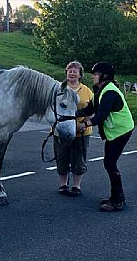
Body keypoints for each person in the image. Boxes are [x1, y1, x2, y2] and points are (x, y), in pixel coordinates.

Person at [77, 62, 134, 211]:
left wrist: (86, 123)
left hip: (121, 130)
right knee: (109, 162)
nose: (93, 76)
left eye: (95, 74)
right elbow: (91, 108)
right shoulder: (99, 90)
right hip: (114, 131)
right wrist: (74, 114)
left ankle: (118, 200)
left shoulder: (110, 92)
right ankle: (115, 196)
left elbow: (101, 115)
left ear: (104, 76)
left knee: (110, 163)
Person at [55, 61, 93, 197]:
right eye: (69, 70)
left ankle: (76, 186)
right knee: (61, 157)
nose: (71, 73)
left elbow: (92, 109)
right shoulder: (58, 88)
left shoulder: (87, 91)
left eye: (75, 71)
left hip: (81, 131)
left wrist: (85, 123)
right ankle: (63, 184)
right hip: (61, 130)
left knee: (78, 158)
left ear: (80, 74)